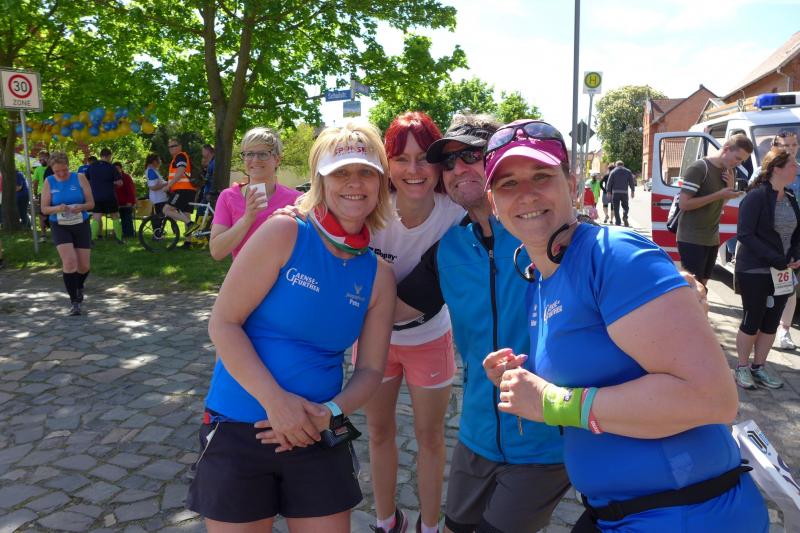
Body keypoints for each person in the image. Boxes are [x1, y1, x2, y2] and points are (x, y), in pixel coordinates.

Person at [481, 119, 768, 532]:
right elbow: (596, 367)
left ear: (572, 183)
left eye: (541, 176)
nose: (526, 193)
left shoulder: (612, 255)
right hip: (619, 512)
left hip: (688, 513)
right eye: (508, 183)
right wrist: (524, 379)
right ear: (493, 203)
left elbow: (712, 399)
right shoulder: (540, 279)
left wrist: (551, 402)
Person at [187, 119, 396, 532]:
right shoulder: (284, 231)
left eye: (366, 172)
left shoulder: (379, 275)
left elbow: (371, 370)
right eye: (341, 172)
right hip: (240, 424)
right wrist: (276, 403)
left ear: (380, 183)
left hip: (315, 431)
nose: (354, 183)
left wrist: (329, 413)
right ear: (320, 179)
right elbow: (223, 323)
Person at [396, 114, 568, 533]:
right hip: (475, 436)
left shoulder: (546, 233)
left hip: (545, 441)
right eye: (448, 162)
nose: (458, 169)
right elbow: (390, 312)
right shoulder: (449, 249)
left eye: (471, 155)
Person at [359, 112, 465, 533]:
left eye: (423, 158)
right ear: (387, 164)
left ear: (438, 164)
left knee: (430, 436)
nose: (413, 169)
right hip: (374, 342)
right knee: (378, 431)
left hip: (429, 338)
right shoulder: (370, 207)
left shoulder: (454, 212)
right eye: (401, 159)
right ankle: (387, 521)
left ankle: (430, 526)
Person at [733, 150, 800, 390]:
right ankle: (742, 367)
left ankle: (758, 367)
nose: (797, 167)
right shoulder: (756, 197)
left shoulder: (790, 196)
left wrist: (795, 254)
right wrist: (775, 258)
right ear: (777, 169)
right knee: (752, 319)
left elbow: (797, 232)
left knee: (771, 322)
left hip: (782, 271)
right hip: (754, 269)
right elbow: (745, 234)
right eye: (792, 164)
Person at [209, 128, 300, 261]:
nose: (255, 160)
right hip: (243, 274)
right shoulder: (228, 197)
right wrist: (247, 219)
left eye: (263, 154)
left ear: (277, 159)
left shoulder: (296, 200)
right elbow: (217, 251)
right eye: (249, 154)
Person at [677, 134, 753, 286]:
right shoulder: (699, 168)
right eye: (737, 158)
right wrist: (719, 194)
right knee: (693, 288)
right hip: (691, 238)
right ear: (726, 149)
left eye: (742, 161)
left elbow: (719, 204)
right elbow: (684, 204)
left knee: (703, 287)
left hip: (712, 238)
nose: (738, 163)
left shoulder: (729, 171)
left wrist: (729, 190)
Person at [39, 152, 95, 316]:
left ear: (68, 166)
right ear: (52, 169)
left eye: (64, 170)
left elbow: (91, 203)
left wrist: (81, 207)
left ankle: (78, 286)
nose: (62, 174)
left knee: (84, 266)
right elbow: (44, 209)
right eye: (57, 171)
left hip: (80, 224)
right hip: (60, 225)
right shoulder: (49, 181)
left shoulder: (80, 178)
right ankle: (74, 302)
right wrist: (58, 208)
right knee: (70, 262)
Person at [771, 130, 800, 350]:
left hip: (794, 241)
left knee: (789, 287)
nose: (790, 149)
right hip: (769, 242)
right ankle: (764, 330)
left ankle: (784, 331)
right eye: (784, 145)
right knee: (767, 288)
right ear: (775, 147)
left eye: (793, 145)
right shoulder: (764, 172)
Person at [86, 147, 123, 242]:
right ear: (109, 156)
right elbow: (120, 182)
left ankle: (91, 240)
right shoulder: (111, 167)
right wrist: (112, 182)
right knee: (115, 216)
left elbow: (86, 180)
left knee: (96, 218)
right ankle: (119, 239)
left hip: (96, 196)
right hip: (109, 196)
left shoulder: (92, 166)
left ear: (101, 156)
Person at [163, 138, 198, 237]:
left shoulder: (180, 156)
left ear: (180, 147)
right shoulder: (179, 157)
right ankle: (188, 242)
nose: (171, 148)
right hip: (188, 190)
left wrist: (169, 185)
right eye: (169, 147)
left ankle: (190, 224)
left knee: (166, 210)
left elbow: (180, 171)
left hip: (182, 190)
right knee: (186, 214)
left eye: (174, 146)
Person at [606, 160, 635, 226]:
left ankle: (618, 222)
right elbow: (631, 182)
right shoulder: (628, 171)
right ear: (623, 165)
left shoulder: (613, 171)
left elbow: (609, 182)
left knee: (616, 207)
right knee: (625, 206)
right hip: (624, 193)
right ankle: (625, 216)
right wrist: (632, 191)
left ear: (616, 165)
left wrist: (608, 192)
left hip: (615, 193)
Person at [113, 162, 138, 240]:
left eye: (118, 168)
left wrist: (130, 201)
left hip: (127, 202)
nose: (116, 170)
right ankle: (121, 233)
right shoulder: (112, 178)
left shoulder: (126, 177)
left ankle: (129, 234)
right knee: (118, 217)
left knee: (127, 217)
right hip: (116, 203)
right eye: (115, 169)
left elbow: (131, 190)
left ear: (121, 169)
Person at [32, 150, 52, 241]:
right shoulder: (38, 169)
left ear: (48, 158)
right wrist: (35, 193)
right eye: (40, 159)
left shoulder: (53, 167)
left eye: (43, 158)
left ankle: (54, 232)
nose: (41, 160)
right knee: (42, 214)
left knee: (53, 213)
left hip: (54, 193)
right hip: (42, 194)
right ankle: (43, 234)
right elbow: (35, 183)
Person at [196, 143, 216, 221]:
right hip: (208, 192)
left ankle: (201, 227)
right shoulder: (211, 162)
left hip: (210, 192)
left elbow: (214, 178)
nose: (202, 152)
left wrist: (205, 180)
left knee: (200, 211)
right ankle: (203, 227)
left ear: (208, 151)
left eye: (203, 150)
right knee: (203, 212)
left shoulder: (213, 163)